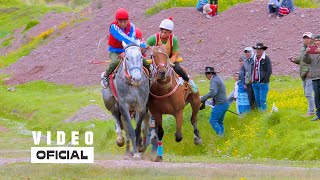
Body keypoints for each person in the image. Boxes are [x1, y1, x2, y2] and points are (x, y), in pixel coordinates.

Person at [146, 18, 198, 93]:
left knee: (178, 69)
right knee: (148, 72)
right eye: (161, 32)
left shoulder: (174, 40)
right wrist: (150, 47)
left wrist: (170, 61)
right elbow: (145, 46)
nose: (162, 34)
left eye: (165, 33)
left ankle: (190, 82)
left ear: (170, 32)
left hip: (169, 59)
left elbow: (175, 53)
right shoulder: (154, 38)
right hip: (157, 60)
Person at [101, 8, 144, 88]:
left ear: (128, 20)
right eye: (121, 22)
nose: (123, 23)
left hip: (127, 50)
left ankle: (150, 76)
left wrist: (127, 51)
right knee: (115, 62)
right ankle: (106, 75)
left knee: (142, 60)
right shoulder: (113, 27)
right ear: (117, 21)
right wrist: (142, 45)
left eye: (125, 21)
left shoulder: (131, 26)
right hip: (115, 50)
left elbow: (132, 40)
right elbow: (125, 38)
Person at [290, 32, 315, 117]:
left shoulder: (314, 48)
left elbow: (315, 62)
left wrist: (311, 71)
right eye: (304, 38)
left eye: (307, 38)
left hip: (310, 74)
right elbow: (302, 61)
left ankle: (311, 112)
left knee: (308, 94)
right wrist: (295, 60)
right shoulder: (303, 49)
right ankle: (311, 111)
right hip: (303, 74)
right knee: (307, 94)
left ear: (312, 39)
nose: (305, 39)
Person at [201, 67, 229, 136]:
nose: (206, 76)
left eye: (206, 74)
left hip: (220, 104)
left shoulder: (214, 80)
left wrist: (203, 98)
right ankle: (222, 137)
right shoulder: (217, 78)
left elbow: (213, 92)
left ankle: (220, 136)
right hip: (225, 103)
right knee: (220, 122)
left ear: (210, 74)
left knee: (213, 120)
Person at [303, 35, 320, 121]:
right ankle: (318, 115)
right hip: (314, 77)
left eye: (319, 40)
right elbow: (306, 61)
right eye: (316, 40)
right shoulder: (312, 51)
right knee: (317, 96)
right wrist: (306, 53)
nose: (317, 42)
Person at [252, 43, 272, 112]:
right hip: (255, 82)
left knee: (262, 100)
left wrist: (264, 81)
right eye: (257, 49)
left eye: (260, 49)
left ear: (263, 50)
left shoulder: (266, 58)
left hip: (263, 83)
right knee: (257, 100)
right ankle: (260, 114)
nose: (259, 51)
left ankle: (264, 114)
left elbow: (269, 71)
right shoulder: (253, 58)